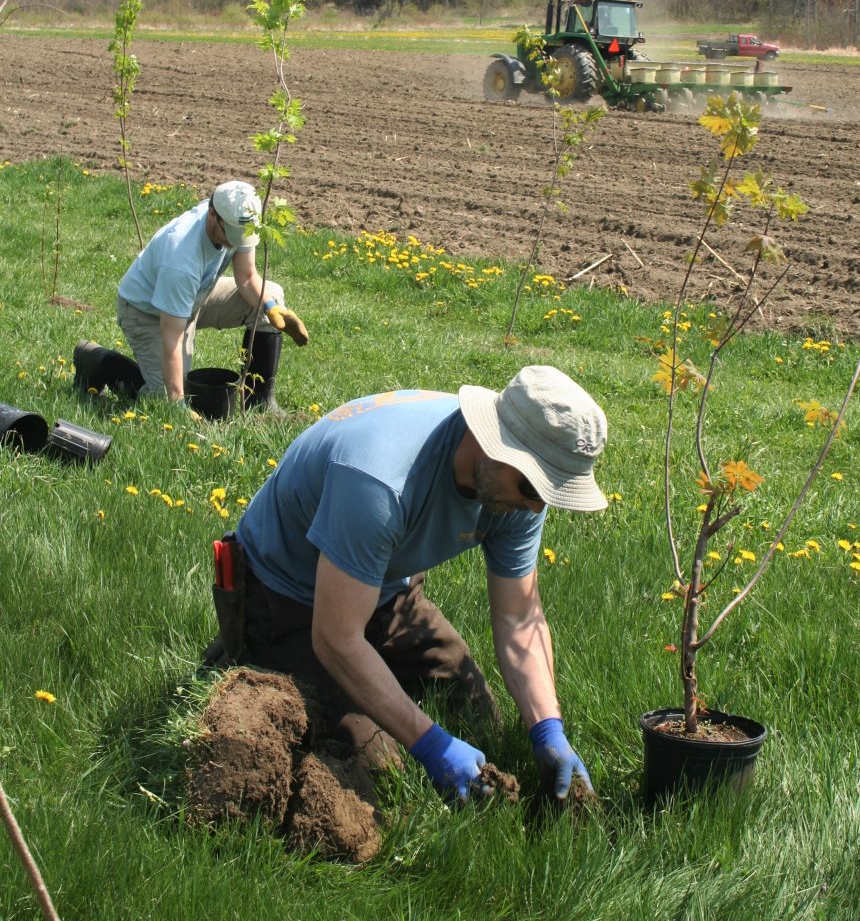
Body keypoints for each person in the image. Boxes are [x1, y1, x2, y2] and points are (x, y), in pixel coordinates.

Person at [214, 364, 608, 803]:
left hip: (383, 587)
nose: (535, 509)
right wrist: (432, 745)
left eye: (549, 494)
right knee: (380, 768)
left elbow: (519, 619)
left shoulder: (518, 493)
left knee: (479, 721)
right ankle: (244, 656)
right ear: (493, 443)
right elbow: (336, 637)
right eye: (532, 487)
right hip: (286, 597)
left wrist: (548, 729)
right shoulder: (381, 479)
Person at [74, 180, 308, 412]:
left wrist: (269, 307)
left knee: (273, 294)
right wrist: (177, 405)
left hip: (197, 295)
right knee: (164, 396)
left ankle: (259, 404)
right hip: (148, 313)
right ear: (212, 215)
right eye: (232, 235)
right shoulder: (181, 258)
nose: (235, 242)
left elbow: (246, 277)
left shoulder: (238, 218)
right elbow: (171, 338)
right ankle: (99, 362)